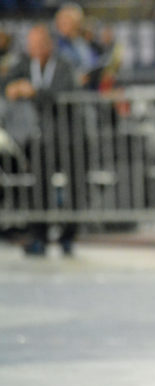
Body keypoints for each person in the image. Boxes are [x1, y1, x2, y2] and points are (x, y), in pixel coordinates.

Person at [3, 24, 79, 256]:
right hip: (37, 137)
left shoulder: (63, 64)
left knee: (73, 189)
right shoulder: (25, 64)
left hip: (66, 136)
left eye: (37, 44)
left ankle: (68, 236)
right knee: (38, 189)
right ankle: (39, 236)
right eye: (30, 44)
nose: (33, 48)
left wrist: (34, 92)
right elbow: (6, 83)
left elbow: (63, 93)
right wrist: (13, 86)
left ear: (48, 44)